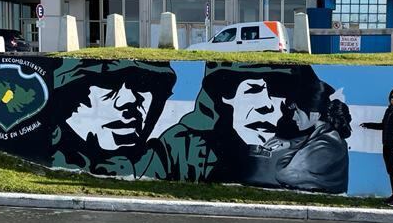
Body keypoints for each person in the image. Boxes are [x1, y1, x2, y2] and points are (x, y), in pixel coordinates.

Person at [150, 62, 351, 193]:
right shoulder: (180, 146)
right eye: (253, 90)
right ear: (224, 97)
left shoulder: (323, 142)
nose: (267, 105)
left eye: (278, 92)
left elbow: (287, 173)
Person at [50, 59, 177, 178]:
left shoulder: (171, 156)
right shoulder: (46, 152)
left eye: (143, 85)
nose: (128, 100)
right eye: (109, 83)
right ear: (69, 93)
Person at [360, 87, 393, 207]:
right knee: (390, 171)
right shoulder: (389, 110)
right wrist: (368, 125)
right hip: (386, 145)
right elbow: (383, 126)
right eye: (392, 97)